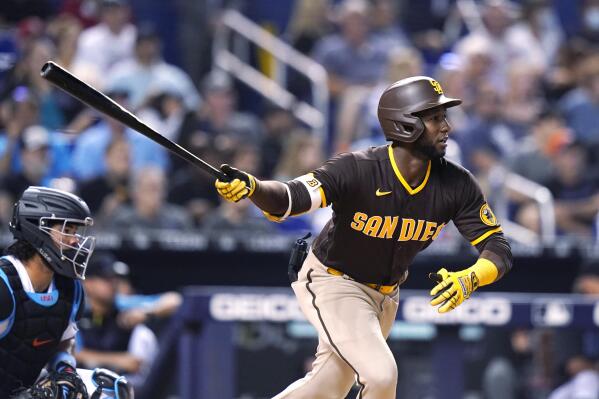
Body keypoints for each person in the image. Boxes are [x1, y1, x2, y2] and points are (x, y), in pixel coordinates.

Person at [215, 76, 513, 398]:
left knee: (323, 389)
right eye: (435, 118)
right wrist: (254, 188)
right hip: (333, 281)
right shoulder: (358, 168)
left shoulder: (457, 183)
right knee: (381, 376)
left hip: (385, 298)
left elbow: (498, 247)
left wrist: (472, 276)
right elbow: (292, 197)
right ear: (405, 124)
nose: (446, 127)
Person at [0, 186, 96, 397]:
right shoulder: (4, 285)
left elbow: (64, 343)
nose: (75, 241)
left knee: (112, 387)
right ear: (37, 230)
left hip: (26, 388)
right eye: (66, 230)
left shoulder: (70, 288)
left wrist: (66, 369)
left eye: (76, 232)